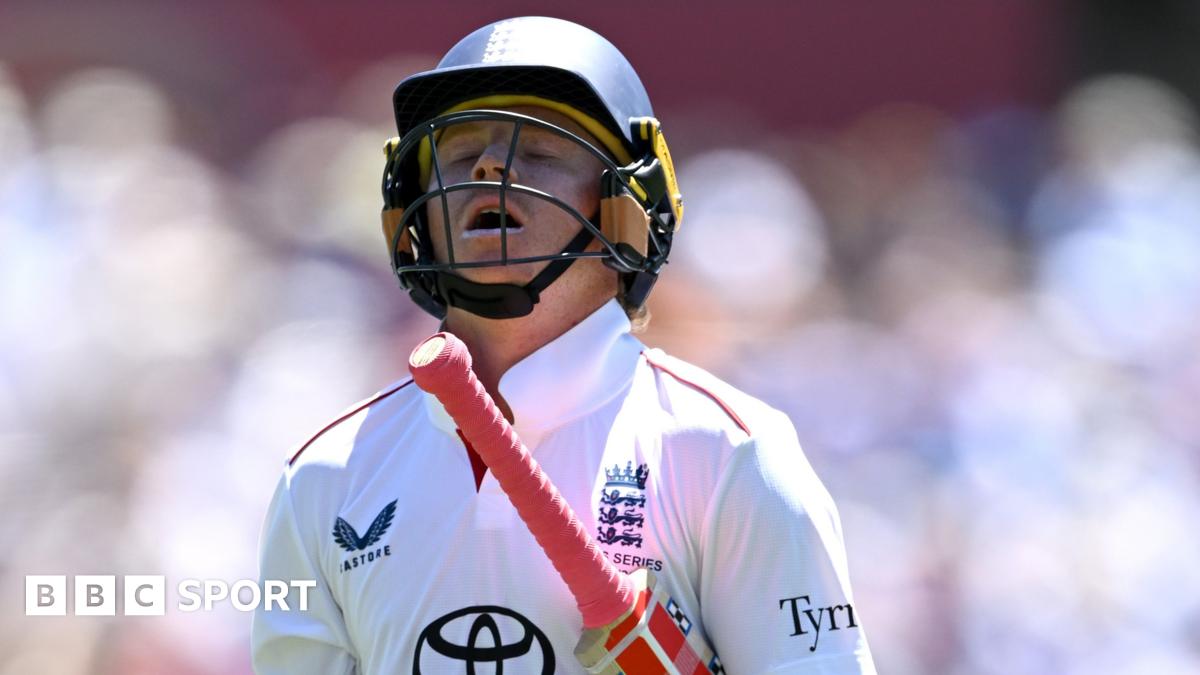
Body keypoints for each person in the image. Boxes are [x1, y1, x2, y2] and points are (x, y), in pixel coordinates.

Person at [252, 16, 877, 675]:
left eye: (542, 149)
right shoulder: (323, 477)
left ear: (627, 204)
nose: (491, 166)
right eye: (459, 152)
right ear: (415, 207)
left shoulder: (728, 453)